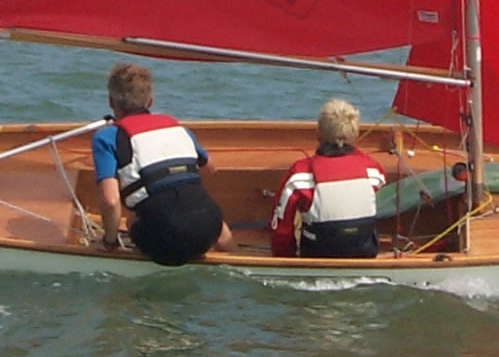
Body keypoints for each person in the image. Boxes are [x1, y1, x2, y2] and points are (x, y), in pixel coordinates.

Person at [91, 63, 234, 266]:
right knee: (203, 211)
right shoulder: (176, 127)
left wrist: (109, 241)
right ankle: (238, 257)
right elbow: (210, 167)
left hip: (165, 242)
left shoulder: (106, 137)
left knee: (133, 218)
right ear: (150, 100)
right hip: (208, 228)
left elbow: (111, 200)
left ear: (110, 101)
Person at [269, 99, 383, 258]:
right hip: (364, 253)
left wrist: (286, 258)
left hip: (317, 253)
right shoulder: (373, 170)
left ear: (319, 133)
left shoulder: (299, 174)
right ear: (355, 134)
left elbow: (281, 230)